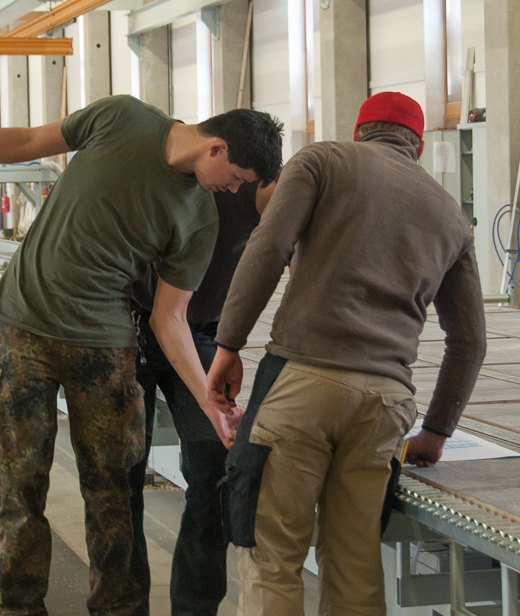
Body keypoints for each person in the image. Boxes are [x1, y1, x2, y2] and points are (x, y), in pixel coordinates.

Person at [0, 94, 282, 616]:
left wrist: (208, 400)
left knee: (112, 494)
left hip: (106, 345)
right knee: (21, 486)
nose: (233, 191)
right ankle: (20, 608)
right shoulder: (122, 117)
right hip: (25, 329)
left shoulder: (200, 218)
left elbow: (170, 318)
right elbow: (25, 141)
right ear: (216, 147)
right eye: (234, 177)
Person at [206, 91, 487, 616]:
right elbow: (470, 340)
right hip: (385, 405)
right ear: (418, 146)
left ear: (360, 130)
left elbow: (268, 248)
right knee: (355, 568)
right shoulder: (451, 213)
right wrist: (437, 430)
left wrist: (229, 343)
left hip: (301, 388)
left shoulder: (323, 160)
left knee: (271, 558)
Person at [128, 174, 278, 616]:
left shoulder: (285, 209)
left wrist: (230, 346)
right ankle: (125, 605)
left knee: (214, 476)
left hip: (200, 337)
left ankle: (194, 609)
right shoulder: (222, 184)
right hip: (131, 330)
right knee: (123, 481)